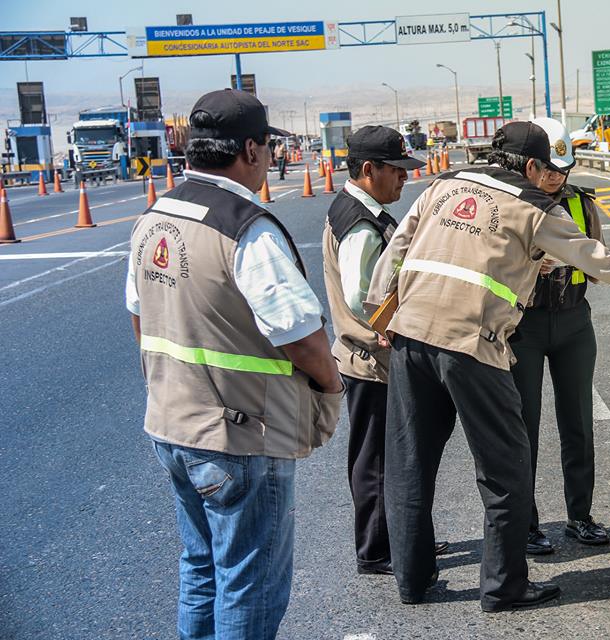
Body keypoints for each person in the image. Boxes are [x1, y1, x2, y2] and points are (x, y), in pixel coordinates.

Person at [365, 121, 610, 612]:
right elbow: (597, 260)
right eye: (546, 167)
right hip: (472, 344)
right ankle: (504, 587)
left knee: (409, 466)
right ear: (529, 166)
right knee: (507, 470)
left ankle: (412, 581)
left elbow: (395, 255)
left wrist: (384, 313)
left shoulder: (441, 187)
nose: (550, 177)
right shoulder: (532, 207)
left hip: (411, 337)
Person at [125, 88, 343, 639]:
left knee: (201, 568)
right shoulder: (246, 227)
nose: (268, 157)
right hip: (240, 437)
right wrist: (332, 383)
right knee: (249, 580)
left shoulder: (157, 215)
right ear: (250, 149)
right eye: (267, 147)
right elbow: (299, 334)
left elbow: (140, 316)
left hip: (172, 425)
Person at [321, 125, 448, 576]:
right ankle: (376, 549)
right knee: (375, 461)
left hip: (369, 356)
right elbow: (361, 295)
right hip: (369, 359)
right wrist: (391, 326)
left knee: (387, 455)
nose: (404, 179)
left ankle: (397, 534)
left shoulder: (360, 209)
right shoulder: (361, 222)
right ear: (369, 169)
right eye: (396, 170)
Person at [508, 118, 610, 555]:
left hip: (572, 320)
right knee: (522, 428)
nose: (555, 176)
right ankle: (526, 524)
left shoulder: (580, 203)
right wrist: (532, 266)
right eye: (549, 168)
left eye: (562, 169)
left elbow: (597, 263)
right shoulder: (511, 202)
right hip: (523, 327)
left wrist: (568, 262)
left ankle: (580, 516)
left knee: (578, 422)